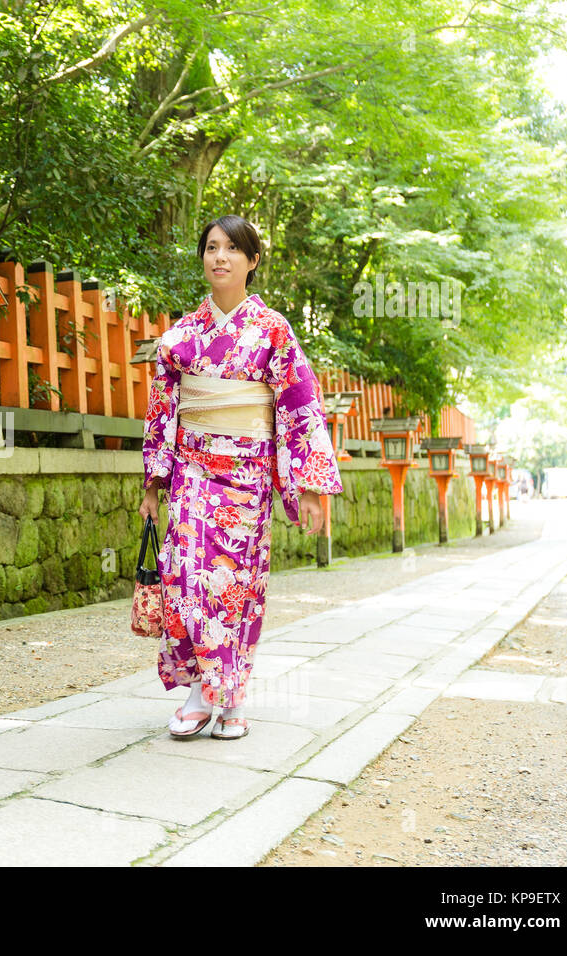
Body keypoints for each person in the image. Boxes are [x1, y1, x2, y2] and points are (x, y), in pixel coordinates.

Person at [138, 214, 343, 740]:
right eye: (211, 247)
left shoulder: (273, 331)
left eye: (232, 249)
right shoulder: (179, 338)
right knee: (184, 578)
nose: (220, 257)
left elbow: (300, 408)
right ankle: (198, 691)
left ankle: (230, 697)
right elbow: (162, 412)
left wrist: (312, 487)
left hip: (246, 479)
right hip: (191, 470)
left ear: (252, 262)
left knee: (233, 586)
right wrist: (152, 486)